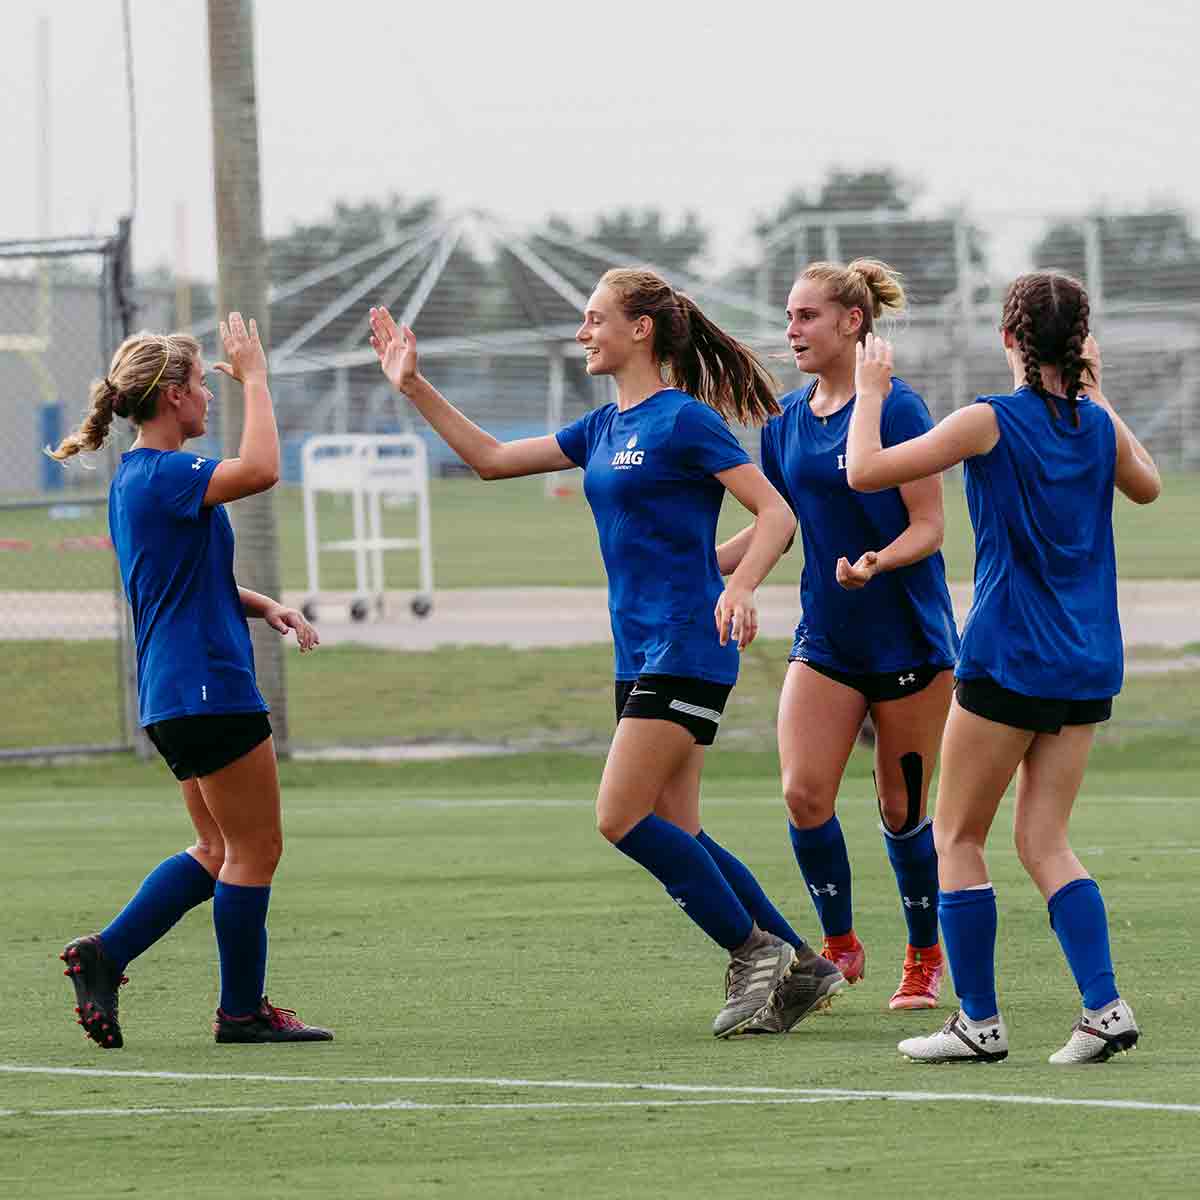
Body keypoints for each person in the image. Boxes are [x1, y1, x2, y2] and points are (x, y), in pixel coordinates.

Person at [368, 269, 844, 1038]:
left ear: (641, 330)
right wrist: (414, 385)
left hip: (689, 644)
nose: (583, 333)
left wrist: (741, 584)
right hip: (641, 651)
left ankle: (752, 952)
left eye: (595, 320)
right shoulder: (601, 428)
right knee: (676, 828)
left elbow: (777, 514)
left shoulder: (684, 421)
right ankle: (802, 960)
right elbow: (488, 459)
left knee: (619, 816)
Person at [845, 271, 1161, 1064]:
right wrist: (1095, 388)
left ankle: (978, 1022)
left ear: (1009, 340)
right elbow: (1148, 485)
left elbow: (864, 471)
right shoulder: (1097, 426)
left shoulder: (987, 421)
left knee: (957, 833)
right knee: (1046, 839)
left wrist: (870, 389)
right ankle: (1104, 1007)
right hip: (1086, 661)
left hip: (1008, 655)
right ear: (1081, 344)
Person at [50, 315, 332, 1047]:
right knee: (254, 851)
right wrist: (260, 379)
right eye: (204, 386)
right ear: (173, 397)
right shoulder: (171, 471)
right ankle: (241, 1012)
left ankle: (105, 955)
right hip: (209, 685)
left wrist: (263, 603)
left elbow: (180, 579)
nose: (210, 398)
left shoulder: (135, 481)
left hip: (172, 693)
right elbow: (264, 470)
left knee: (214, 849)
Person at [722, 260, 958, 1032]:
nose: (791, 330)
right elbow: (775, 523)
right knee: (802, 794)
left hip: (911, 642)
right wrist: (701, 569)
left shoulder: (897, 406)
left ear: (852, 323)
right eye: (789, 317)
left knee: (901, 811)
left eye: (806, 317)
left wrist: (877, 563)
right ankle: (840, 945)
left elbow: (929, 527)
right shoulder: (784, 422)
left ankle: (924, 955)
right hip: (826, 640)